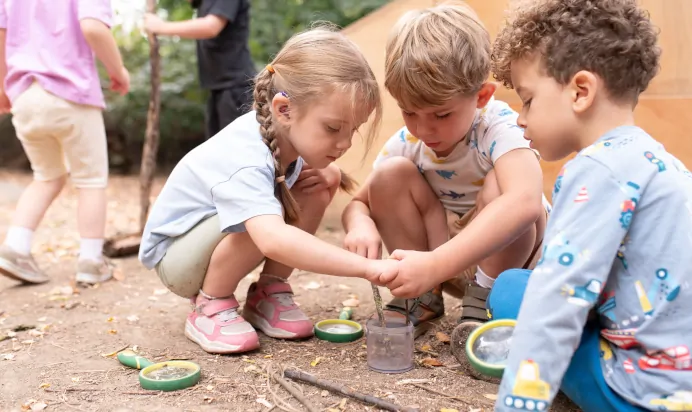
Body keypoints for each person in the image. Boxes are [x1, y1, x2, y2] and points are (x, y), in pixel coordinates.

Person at [485, 0, 692, 411]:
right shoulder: (664, 165)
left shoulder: (594, 170)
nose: (520, 119)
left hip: (637, 394)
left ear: (580, 91)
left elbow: (557, 299)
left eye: (527, 100)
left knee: (512, 290)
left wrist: (517, 403)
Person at [138, 25, 396, 354]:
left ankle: (267, 293)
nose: (345, 143)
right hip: (177, 260)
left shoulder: (283, 137)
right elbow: (272, 238)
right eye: (333, 128)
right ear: (284, 110)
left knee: (323, 180)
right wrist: (367, 268)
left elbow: (327, 177)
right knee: (259, 217)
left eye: (353, 130)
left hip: (203, 245)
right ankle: (210, 305)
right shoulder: (247, 158)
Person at [341, 1, 548, 371]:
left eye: (441, 114)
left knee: (505, 189)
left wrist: (436, 263)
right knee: (389, 176)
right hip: (444, 265)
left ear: (481, 97)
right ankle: (423, 299)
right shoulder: (411, 139)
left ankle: (483, 301)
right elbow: (359, 202)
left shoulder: (498, 127)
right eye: (409, 112)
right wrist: (360, 222)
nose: (423, 130)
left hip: (509, 266)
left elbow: (527, 202)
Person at [0, 0, 130, 286]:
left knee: (47, 177)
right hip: (71, 94)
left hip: (24, 94)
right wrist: (118, 71)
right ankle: (91, 261)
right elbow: (93, 27)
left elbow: (2, 34)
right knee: (91, 180)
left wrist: (2, 88)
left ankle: (16, 247)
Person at [144, 0, 256, 139]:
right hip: (217, 90)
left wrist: (161, 27)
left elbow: (211, 26)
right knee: (217, 152)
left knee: (237, 150)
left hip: (236, 88)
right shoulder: (204, 3)